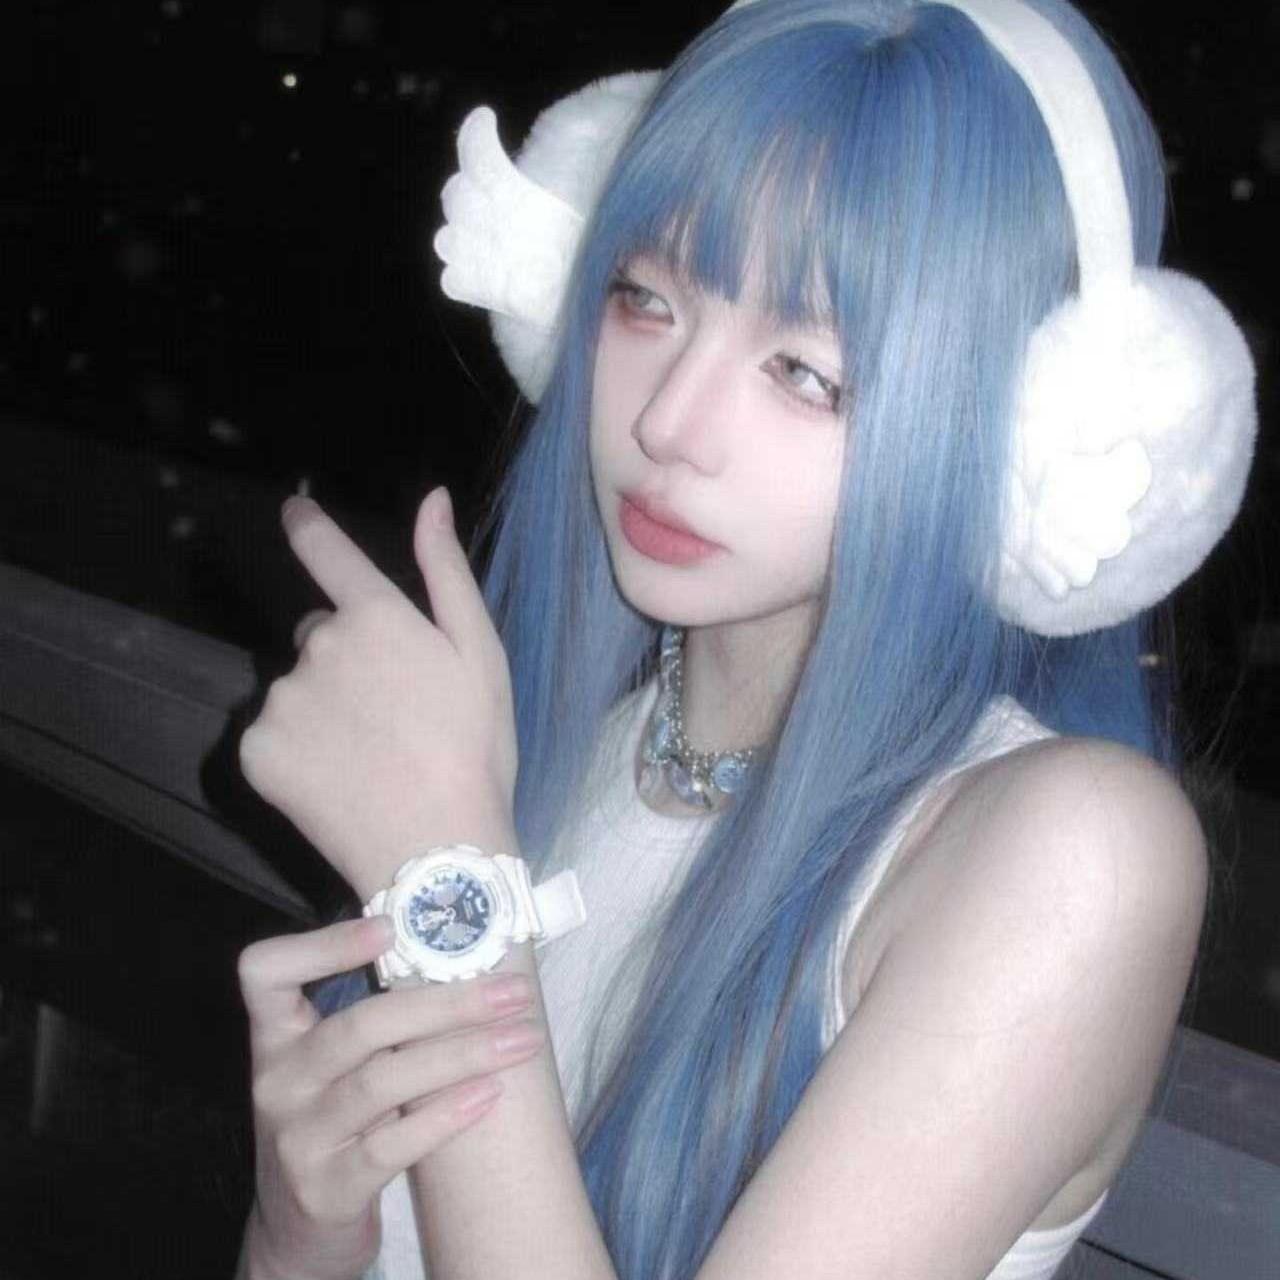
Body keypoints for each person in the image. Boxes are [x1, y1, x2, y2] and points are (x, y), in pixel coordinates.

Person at [232, 2, 1258, 1278]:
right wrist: (295, 1235)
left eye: (806, 372)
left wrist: (444, 879)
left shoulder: (1073, 854)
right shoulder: (538, 751)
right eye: (644, 298)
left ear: (1020, 442)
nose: (668, 421)